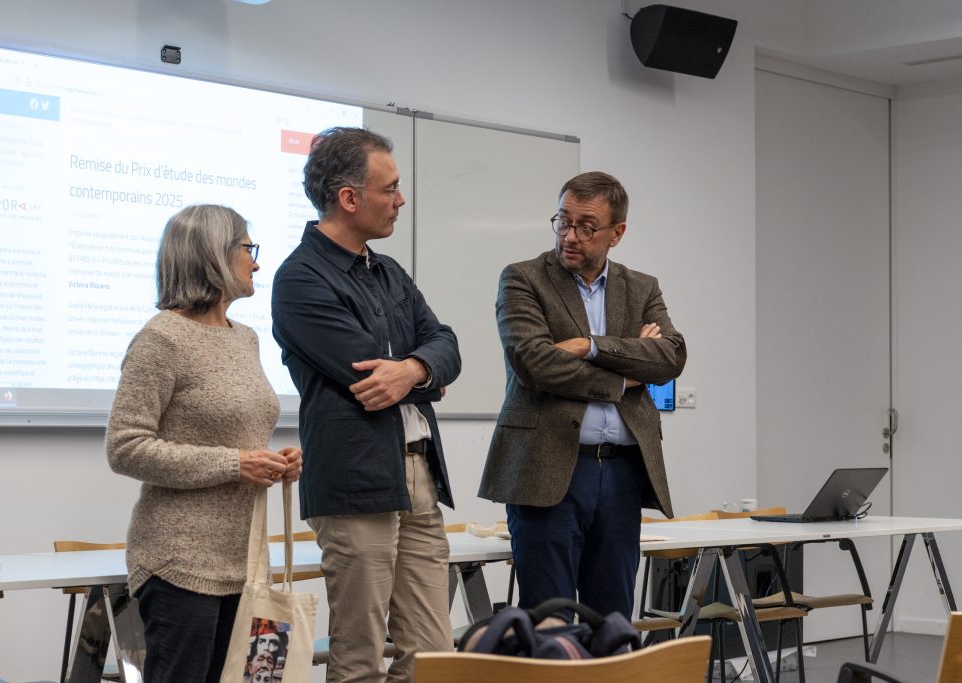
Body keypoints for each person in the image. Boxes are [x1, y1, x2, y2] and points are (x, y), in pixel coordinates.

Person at [272, 126, 461, 683]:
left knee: (432, 657)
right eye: (391, 188)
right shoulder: (299, 278)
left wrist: (414, 370)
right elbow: (364, 375)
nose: (401, 200)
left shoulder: (388, 271)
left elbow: (445, 342)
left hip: (419, 474)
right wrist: (421, 371)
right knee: (359, 658)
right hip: (355, 481)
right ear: (349, 198)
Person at [107, 204, 302, 683]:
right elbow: (125, 446)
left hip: (248, 561)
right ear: (213, 255)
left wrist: (276, 460)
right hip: (178, 563)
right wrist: (235, 465)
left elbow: (238, 434)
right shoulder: (161, 339)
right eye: (246, 249)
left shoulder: (247, 338)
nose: (256, 262)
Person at [478, 171, 686, 621]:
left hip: (622, 472)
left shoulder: (641, 287)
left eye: (587, 227)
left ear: (617, 233)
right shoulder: (523, 279)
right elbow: (534, 363)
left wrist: (589, 346)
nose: (570, 236)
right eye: (563, 222)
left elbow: (669, 357)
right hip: (548, 467)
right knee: (550, 620)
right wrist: (624, 376)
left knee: (612, 619)